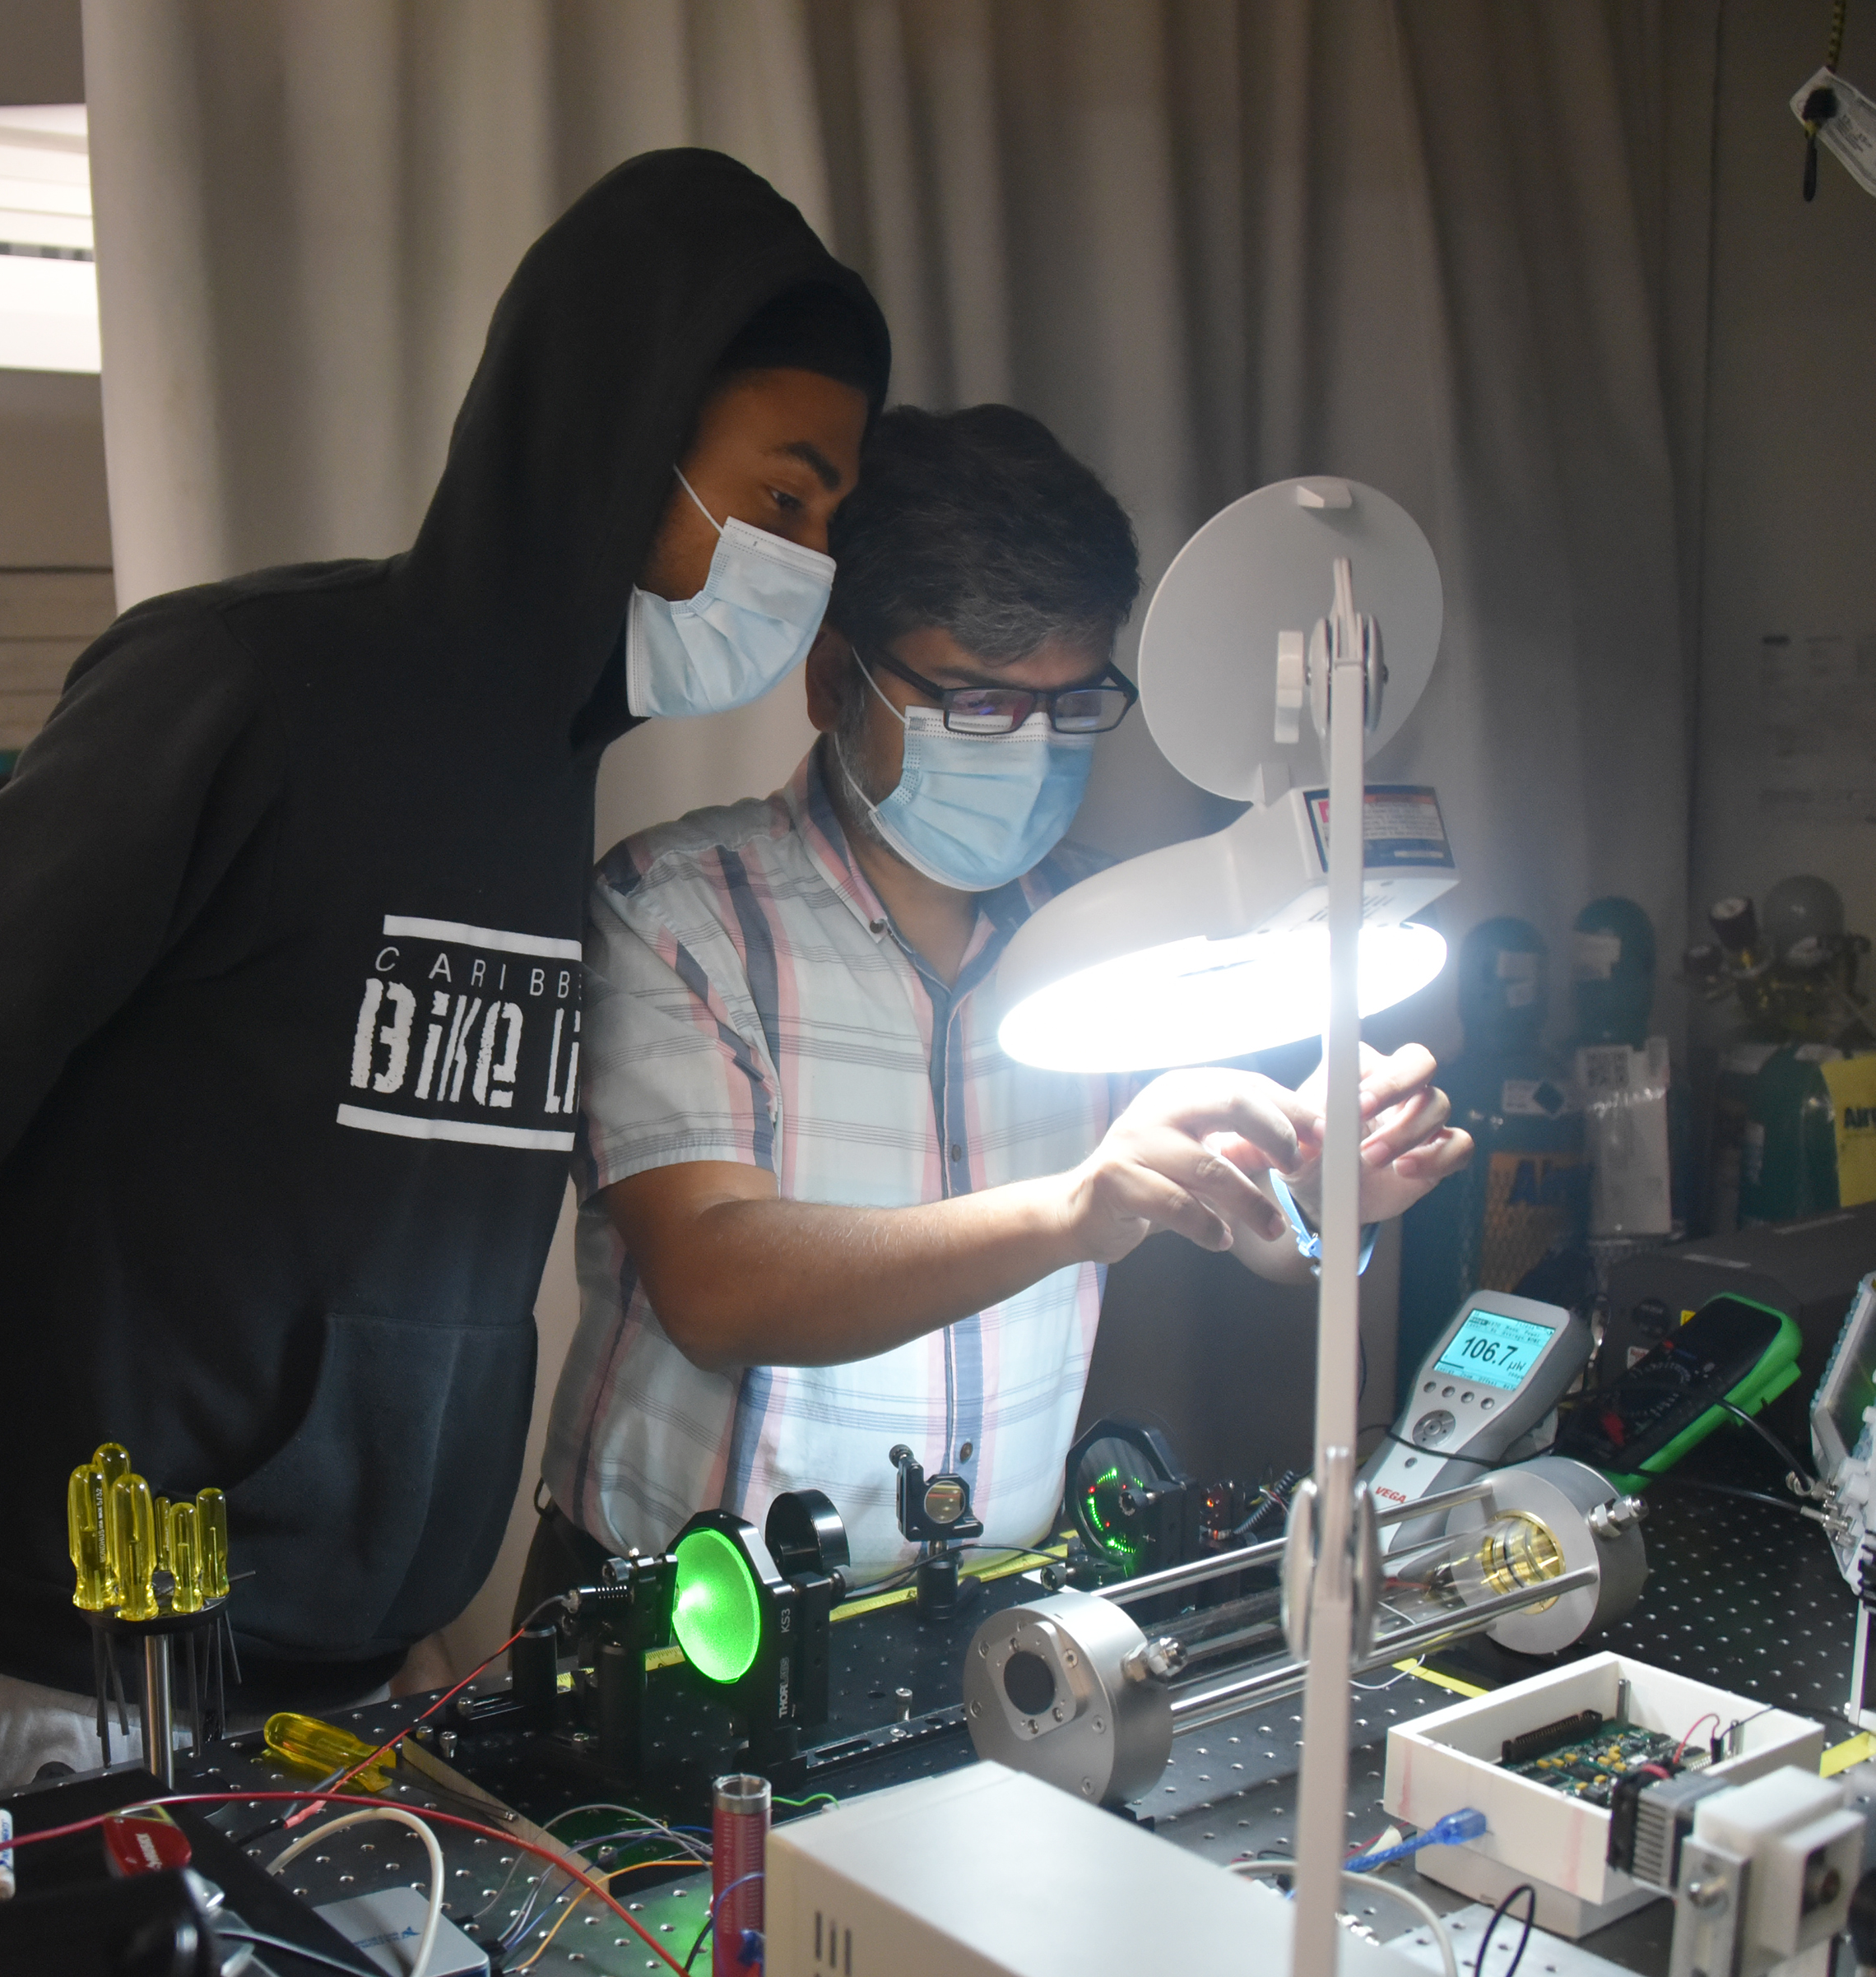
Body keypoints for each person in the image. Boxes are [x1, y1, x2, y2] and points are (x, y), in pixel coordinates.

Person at [0, 149, 890, 1792]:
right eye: (782, 500)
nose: (806, 562)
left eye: (834, 521)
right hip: (70, 1704)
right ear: (617, 440)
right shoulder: (244, 691)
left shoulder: (548, 783)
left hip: (355, 1696)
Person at [534, 404, 1473, 1588]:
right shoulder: (677, 911)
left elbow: (1254, 1235)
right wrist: (1072, 1208)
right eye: (980, 705)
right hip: (683, 1616)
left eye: (1074, 706)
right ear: (835, 682)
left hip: (976, 1600)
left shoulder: (1108, 939)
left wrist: (1319, 1190)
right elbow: (716, 1287)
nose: (1031, 749)